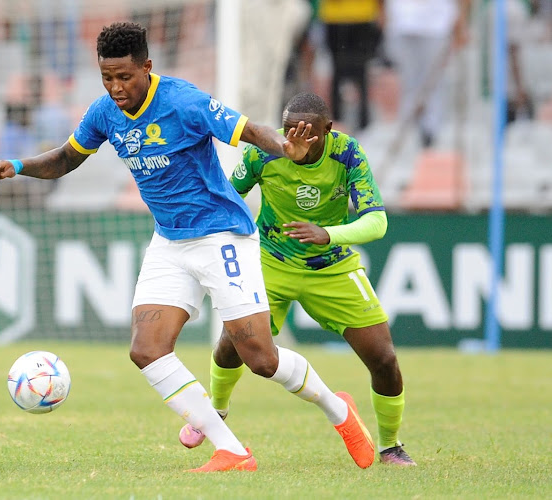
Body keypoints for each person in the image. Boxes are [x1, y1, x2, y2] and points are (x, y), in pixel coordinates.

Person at [0, 22, 375, 472]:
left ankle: (339, 410)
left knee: (261, 359)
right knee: (146, 349)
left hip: (221, 235)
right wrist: (18, 164)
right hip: (169, 241)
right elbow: (66, 158)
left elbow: (250, 131)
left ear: (147, 67)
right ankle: (231, 450)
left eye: (125, 77)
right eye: (107, 78)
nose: (116, 88)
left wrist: (285, 149)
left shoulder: (183, 101)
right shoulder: (104, 113)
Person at [178, 92, 417, 467]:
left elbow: (377, 221)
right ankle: (218, 412)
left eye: (308, 132)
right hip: (270, 263)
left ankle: (390, 446)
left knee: (384, 358)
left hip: (332, 267)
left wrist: (329, 233)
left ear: (329, 130)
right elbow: (225, 196)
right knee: (230, 345)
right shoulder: (263, 152)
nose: (297, 140)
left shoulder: (348, 153)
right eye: (290, 130)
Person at [384, 0, 471, 148]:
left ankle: (431, 131)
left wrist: (461, 21)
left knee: (434, 83)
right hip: (401, 23)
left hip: (437, 25)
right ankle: (408, 130)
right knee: (408, 81)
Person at [319, 0, 384, 131]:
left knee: (361, 71)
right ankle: (336, 122)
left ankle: (363, 123)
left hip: (362, 15)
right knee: (338, 72)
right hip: (335, 16)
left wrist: (382, 10)